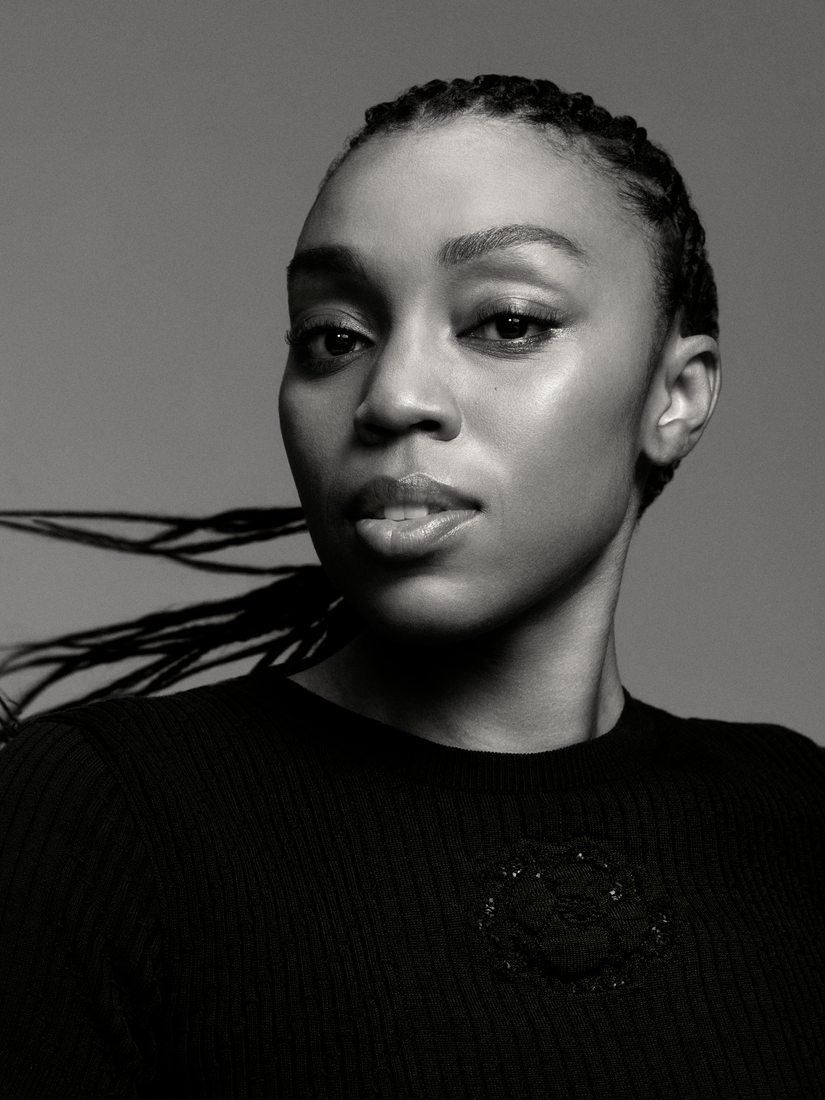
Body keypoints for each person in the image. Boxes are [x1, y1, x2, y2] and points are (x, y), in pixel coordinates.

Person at [0, 74, 822, 1099]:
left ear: (676, 395)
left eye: (506, 323)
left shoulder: (796, 816)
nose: (391, 397)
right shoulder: (101, 817)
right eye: (334, 337)